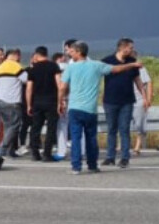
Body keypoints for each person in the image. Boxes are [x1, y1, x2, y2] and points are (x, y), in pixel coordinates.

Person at [58, 40, 143, 174]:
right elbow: (116, 69)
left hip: (75, 108)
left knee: (75, 138)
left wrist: (60, 101)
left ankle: (76, 167)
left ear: (79, 52)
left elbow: (62, 87)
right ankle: (92, 165)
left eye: (72, 52)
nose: (70, 54)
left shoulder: (71, 68)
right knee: (91, 138)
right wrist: (132, 64)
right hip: (90, 109)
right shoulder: (97, 65)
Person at [101, 38, 147, 168]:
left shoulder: (132, 62)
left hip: (127, 101)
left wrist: (144, 96)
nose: (132, 50)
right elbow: (113, 70)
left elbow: (137, 79)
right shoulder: (107, 61)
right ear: (122, 48)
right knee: (111, 129)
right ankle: (110, 156)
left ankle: (125, 157)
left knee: (124, 129)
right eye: (130, 47)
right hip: (110, 100)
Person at [25, 46, 62, 161]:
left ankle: (35, 153)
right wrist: (61, 101)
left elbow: (29, 88)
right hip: (51, 101)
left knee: (36, 127)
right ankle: (47, 153)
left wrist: (29, 104)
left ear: (36, 55)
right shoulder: (53, 66)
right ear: (46, 54)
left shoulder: (33, 69)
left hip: (37, 101)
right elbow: (59, 84)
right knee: (51, 128)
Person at [0, 48, 27, 157]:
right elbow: (26, 79)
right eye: (19, 56)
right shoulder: (16, 66)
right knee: (14, 126)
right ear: (16, 55)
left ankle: (9, 151)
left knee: (8, 126)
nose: (20, 59)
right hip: (11, 101)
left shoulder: (0, 67)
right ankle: (2, 149)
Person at [52, 49, 71, 161]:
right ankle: (81, 151)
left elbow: (61, 85)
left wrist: (61, 99)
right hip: (75, 98)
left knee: (61, 126)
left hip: (63, 98)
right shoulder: (72, 66)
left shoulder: (58, 67)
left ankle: (61, 151)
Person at [132, 64, 153, 156]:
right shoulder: (121, 67)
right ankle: (121, 145)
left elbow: (148, 83)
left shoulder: (141, 69)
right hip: (124, 99)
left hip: (139, 99)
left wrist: (148, 99)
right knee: (122, 123)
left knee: (139, 123)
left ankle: (137, 145)